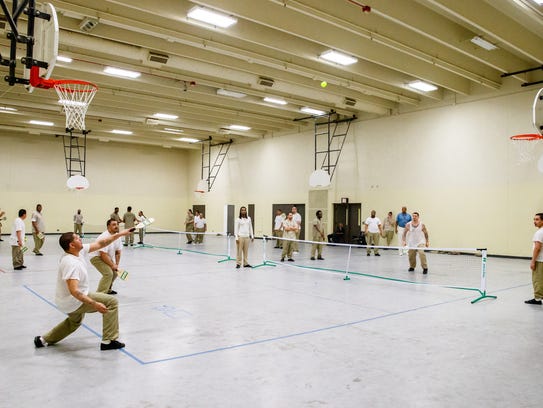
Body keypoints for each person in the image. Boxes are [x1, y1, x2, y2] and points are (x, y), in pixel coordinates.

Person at [33, 227, 134, 351]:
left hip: (65, 301)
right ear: (72, 245)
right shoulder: (71, 263)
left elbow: (100, 243)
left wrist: (122, 234)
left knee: (74, 322)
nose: (80, 238)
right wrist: (94, 304)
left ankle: (43, 340)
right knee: (112, 302)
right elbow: (74, 291)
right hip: (73, 300)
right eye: (77, 238)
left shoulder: (77, 252)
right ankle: (108, 341)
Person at [91, 219, 123, 294]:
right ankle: (100, 294)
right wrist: (112, 265)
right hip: (96, 256)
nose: (116, 226)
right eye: (114, 225)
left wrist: (116, 265)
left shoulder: (117, 236)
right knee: (108, 273)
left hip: (106, 256)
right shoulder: (104, 237)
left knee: (115, 273)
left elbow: (118, 252)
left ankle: (108, 289)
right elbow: (102, 254)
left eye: (117, 224)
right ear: (108, 226)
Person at [525, 213, 543, 305]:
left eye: (537, 220)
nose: (534, 222)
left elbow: (537, 248)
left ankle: (538, 299)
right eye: (534, 219)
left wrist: (533, 261)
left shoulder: (539, 233)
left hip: (540, 260)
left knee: (537, 279)